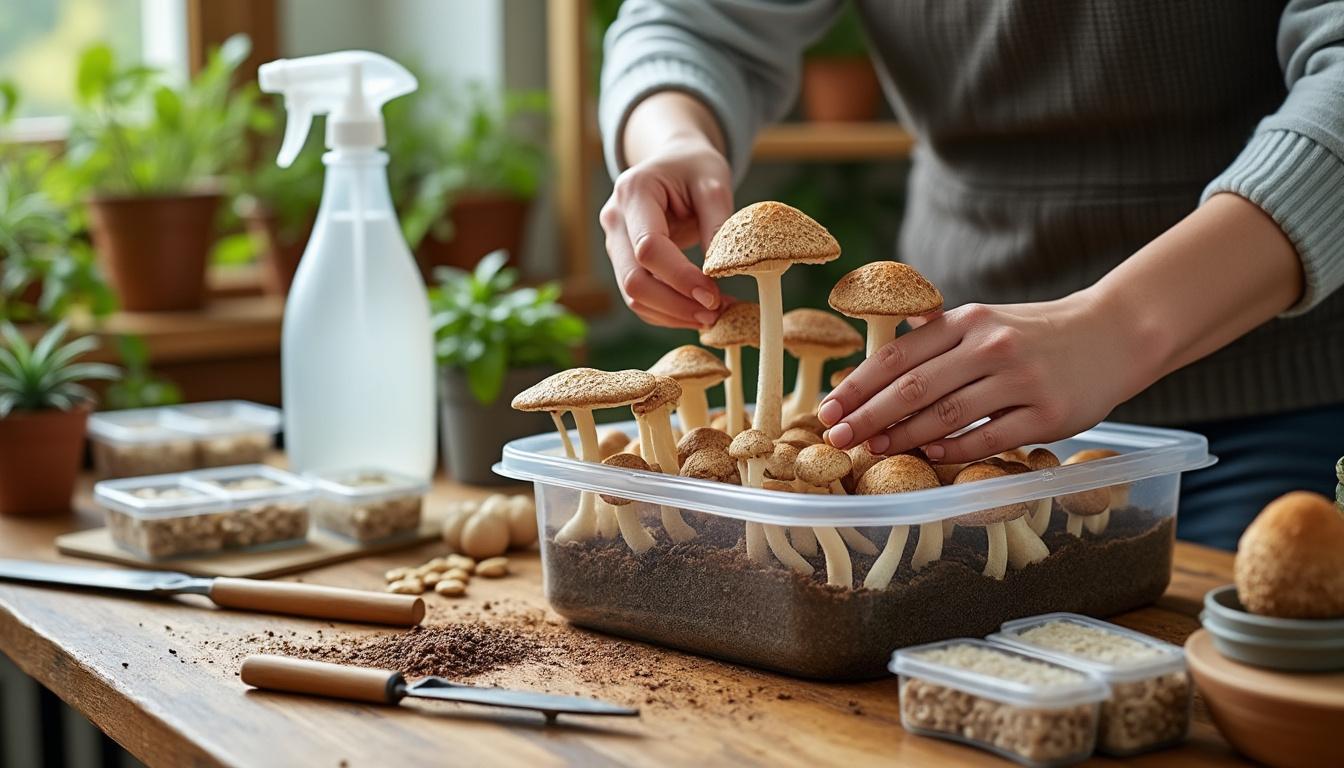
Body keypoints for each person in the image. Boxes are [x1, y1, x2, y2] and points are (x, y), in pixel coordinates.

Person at [596, 1, 1344, 550]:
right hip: (954, 417)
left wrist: (1124, 325)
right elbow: (693, 19)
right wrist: (671, 138)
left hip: (1270, 394)